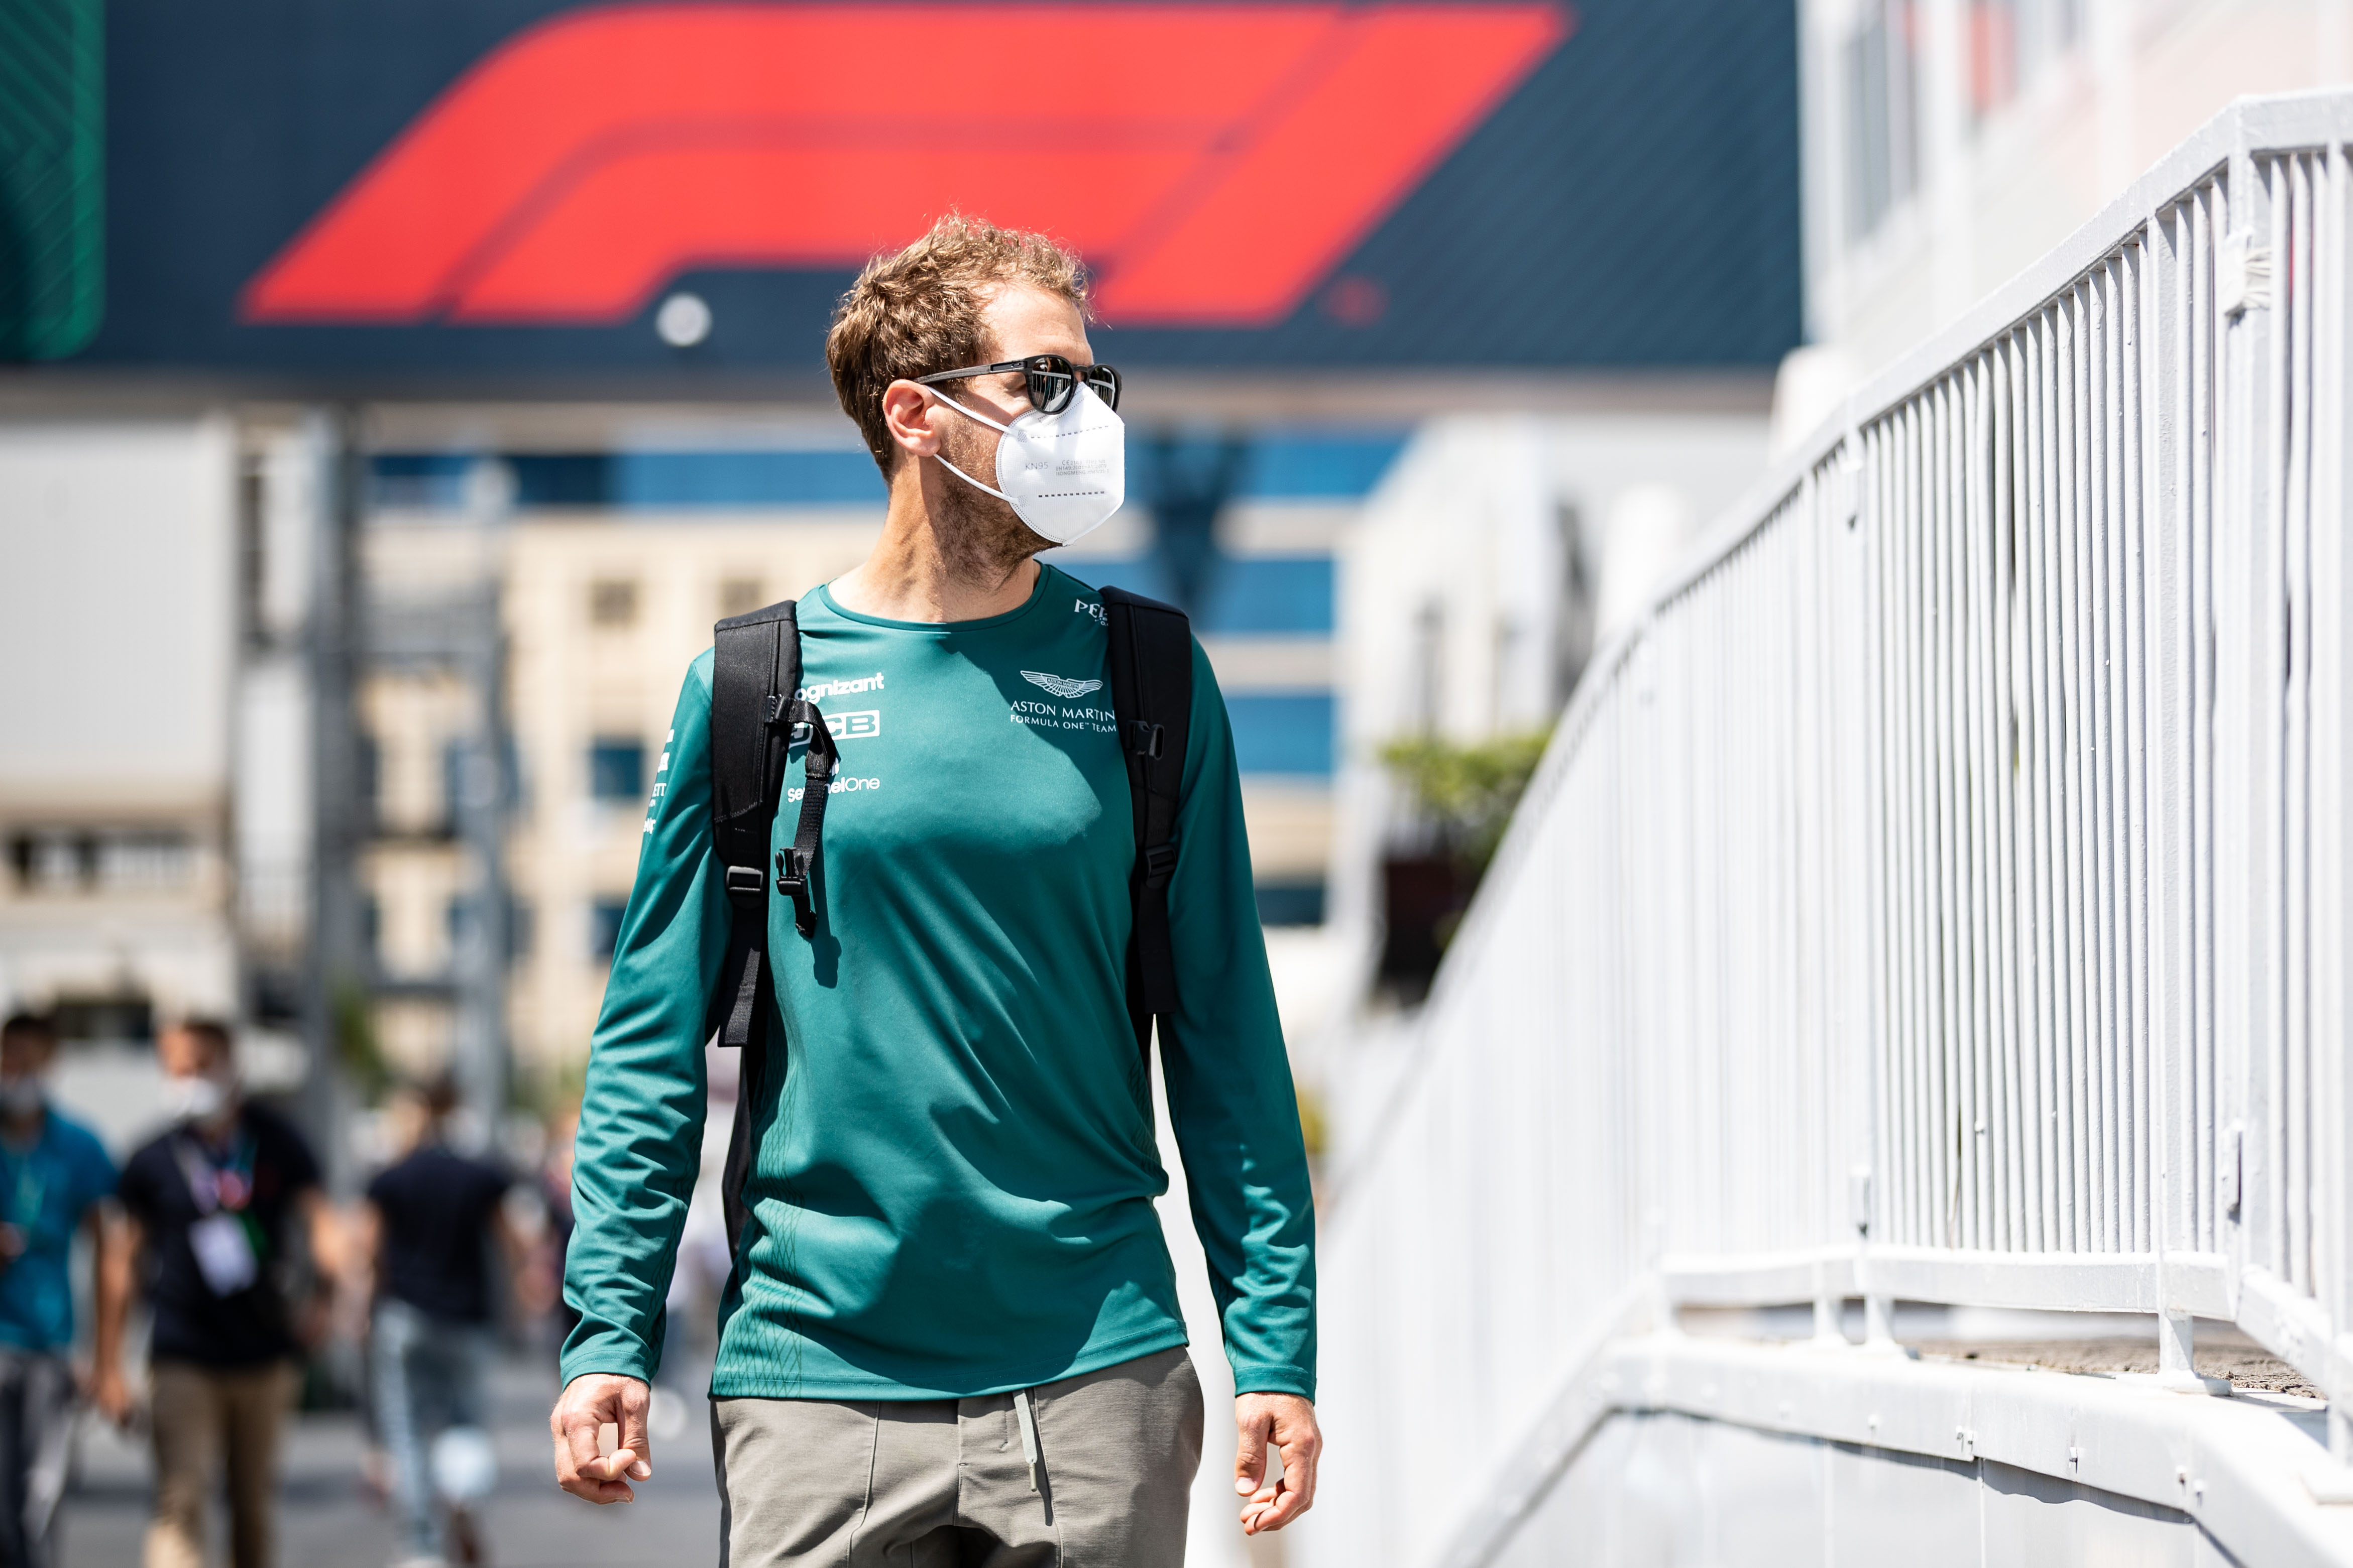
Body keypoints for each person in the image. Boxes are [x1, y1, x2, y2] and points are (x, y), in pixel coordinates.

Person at [550, 215, 1321, 1565]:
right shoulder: (753, 686)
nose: (1086, 419)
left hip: (1098, 1370)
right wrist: (609, 1331)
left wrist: (1275, 1350)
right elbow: (648, 1044)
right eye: (1045, 382)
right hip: (812, 1376)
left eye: (1095, 384)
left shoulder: (1147, 678)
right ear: (915, 413)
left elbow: (1227, 1044)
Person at [105, 1019, 340, 1568]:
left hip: (264, 1352)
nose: (186, 1081)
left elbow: (323, 1225)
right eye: (174, 1069)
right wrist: (109, 1363)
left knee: (251, 1506)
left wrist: (325, 1300)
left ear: (231, 1066)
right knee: (180, 1497)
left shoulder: (277, 1140)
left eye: (198, 1067)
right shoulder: (153, 1155)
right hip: (181, 1351)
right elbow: (122, 1258)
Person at [362, 1075, 518, 1568]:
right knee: (464, 1421)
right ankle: (461, 1491)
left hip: (403, 1317)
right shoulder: (479, 1173)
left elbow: (369, 1251)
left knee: (406, 1431)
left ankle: (422, 1546)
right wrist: (518, 1296)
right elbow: (510, 1241)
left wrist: (363, 1309)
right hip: (466, 1319)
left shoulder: (392, 1176)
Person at [0, 1014, 123, 1568]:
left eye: (26, 1059)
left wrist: (105, 1359)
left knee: (40, 1496)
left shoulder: (78, 1144)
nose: (14, 1071)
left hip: (48, 1340)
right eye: (6, 1058)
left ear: (50, 1062)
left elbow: (109, 1250)